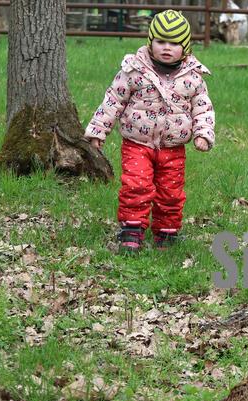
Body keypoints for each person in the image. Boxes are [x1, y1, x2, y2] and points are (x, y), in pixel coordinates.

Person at [85, 9, 215, 253]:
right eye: (161, 41)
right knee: (136, 185)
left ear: (185, 47)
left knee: (171, 191)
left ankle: (166, 232)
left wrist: (203, 133)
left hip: (173, 147)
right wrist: (98, 130)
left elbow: (203, 108)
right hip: (137, 144)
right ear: (150, 42)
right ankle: (131, 229)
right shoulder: (134, 70)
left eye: (174, 42)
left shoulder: (193, 77)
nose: (167, 47)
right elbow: (114, 99)